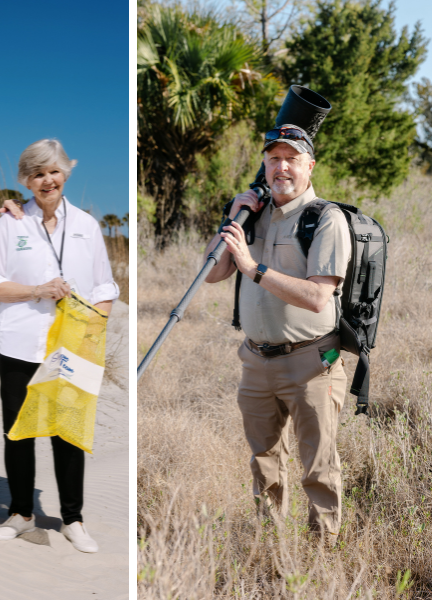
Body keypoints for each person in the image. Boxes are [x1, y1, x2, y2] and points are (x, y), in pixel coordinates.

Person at [203, 124, 350, 546]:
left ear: (309, 165)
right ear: (265, 165)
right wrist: (234, 218)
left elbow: (319, 296)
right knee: (264, 460)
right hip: (256, 360)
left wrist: (254, 268)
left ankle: (323, 552)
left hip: (310, 363)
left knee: (318, 464)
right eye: (273, 159)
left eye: (291, 159)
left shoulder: (325, 219)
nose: (281, 167)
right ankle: (272, 542)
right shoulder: (252, 216)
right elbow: (213, 273)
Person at [0, 139, 118, 553]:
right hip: (19, 343)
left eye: (54, 171)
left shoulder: (87, 226)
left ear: (66, 174)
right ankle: (21, 514)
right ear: (27, 180)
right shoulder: (11, 223)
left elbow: (105, 287)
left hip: (71, 349)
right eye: (38, 173)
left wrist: (92, 328)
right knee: (17, 433)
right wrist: (37, 290)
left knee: (67, 435)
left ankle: (73, 519)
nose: (47, 180)